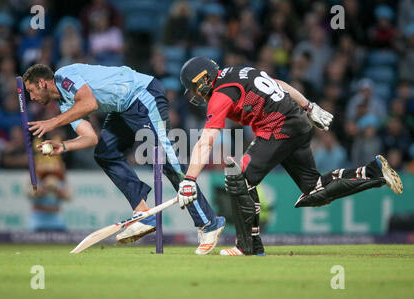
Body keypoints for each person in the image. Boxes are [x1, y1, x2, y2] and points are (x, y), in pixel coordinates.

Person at [177, 56, 404, 256]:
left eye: (195, 88)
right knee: (315, 190)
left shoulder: (220, 95)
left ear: (204, 79)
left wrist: (189, 180)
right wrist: (308, 106)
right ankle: (374, 171)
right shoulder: (238, 71)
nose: (196, 94)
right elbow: (280, 85)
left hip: (278, 128)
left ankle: (248, 247)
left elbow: (206, 139)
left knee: (240, 180)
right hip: (296, 123)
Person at [22, 63, 225, 255]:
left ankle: (208, 223)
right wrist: (64, 146)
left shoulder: (64, 76)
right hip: (122, 108)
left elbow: (89, 102)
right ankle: (144, 214)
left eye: (31, 91)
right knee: (104, 153)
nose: (31, 97)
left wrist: (52, 123)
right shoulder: (65, 104)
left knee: (165, 160)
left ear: (42, 83)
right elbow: (90, 138)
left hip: (142, 94)